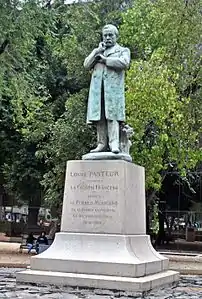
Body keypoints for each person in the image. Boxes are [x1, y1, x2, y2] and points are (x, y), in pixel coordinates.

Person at [84, 24, 131, 154]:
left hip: (113, 91)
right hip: (98, 91)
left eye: (110, 35)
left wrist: (105, 60)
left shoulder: (122, 50)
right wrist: (97, 52)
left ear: (116, 36)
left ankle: (114, 143)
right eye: (105, 35)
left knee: (112, 116)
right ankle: (101, 143)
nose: (107, 38)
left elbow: (124, 63)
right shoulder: (98, 51)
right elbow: (86, 64)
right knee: (99, 117)